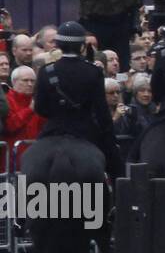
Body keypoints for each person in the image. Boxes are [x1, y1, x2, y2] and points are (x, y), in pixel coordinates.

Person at [33, 22, 119, 175]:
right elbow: (101, 112)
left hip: (54, 130)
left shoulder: (46, 71)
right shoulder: (94, 71)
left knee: (29, 160)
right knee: (115, 166)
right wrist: (109, 139)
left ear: (58, 44)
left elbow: (40, 108)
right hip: (85, 132)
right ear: (82, 46)